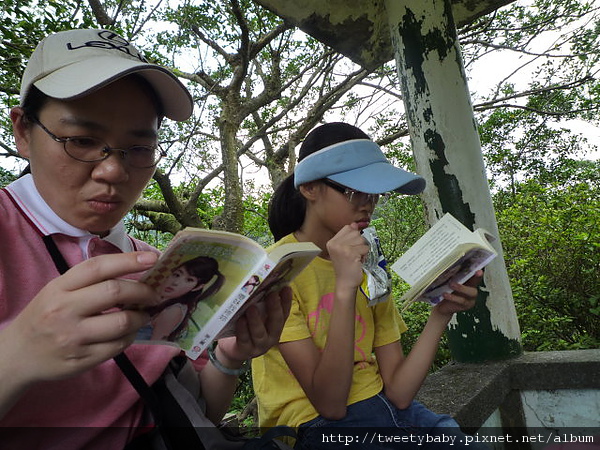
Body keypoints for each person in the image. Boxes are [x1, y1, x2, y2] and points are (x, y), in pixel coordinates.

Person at [0, 28, 291, 449]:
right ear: (23, 131)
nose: (113, 171)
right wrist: (17, 354)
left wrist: (230, 355)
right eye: (82, 140)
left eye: (137, 149)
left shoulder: (157, 266)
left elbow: (195, 415)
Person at [252, 122, 488, 449]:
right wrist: (346, 289)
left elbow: (400, 392)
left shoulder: (369, 261)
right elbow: (330, 406)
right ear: (309, 188)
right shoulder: (277, 271)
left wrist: (441, 313)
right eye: (354, 191)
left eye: (374, 193)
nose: (368, 204)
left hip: (387, 411)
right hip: (312, 426)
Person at [138, 256, 226, 341]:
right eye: (177, 275)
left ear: (197, 287)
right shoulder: (160, 301)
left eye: (189, 280)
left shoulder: (172, 311)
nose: (175, 282)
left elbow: (152, 348)